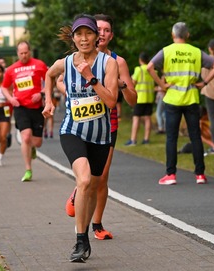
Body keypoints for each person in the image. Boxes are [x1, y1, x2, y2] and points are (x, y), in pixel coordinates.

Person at [42, 14, 119, 262]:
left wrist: (90, 77)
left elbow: (110, 101)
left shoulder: (108, 64)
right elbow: (48, 74)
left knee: (93, 185)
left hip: (100, 135)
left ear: (97, 36)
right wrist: (48, 101)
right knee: (84, 180)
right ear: (73, 38)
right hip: (72, 130)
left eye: (88, 33)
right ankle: (81, 240)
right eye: (78, 34)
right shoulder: (64, 62)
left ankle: (83, 233)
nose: (83, 38)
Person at [64, 13, 137, 241]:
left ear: (109, 35)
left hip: (107, 124)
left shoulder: (117, 62)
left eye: (106, 30)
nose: (102, 34)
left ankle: (97, 223)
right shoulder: (75, 58)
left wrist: (122, 85)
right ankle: (81, 192)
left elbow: (133, 100)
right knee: (89, 179)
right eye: (100, 29)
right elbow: (60, 76)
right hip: (79, 125)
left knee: (102, 177)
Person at [147, 22, 214, 185]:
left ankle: (171, 175)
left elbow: (150, 67)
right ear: (187, 35)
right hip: (191, 98)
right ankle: (200, 174)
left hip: (172, 98)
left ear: (173, 35)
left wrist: (161, 85)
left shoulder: (166, 51)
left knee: (171, 138)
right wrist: (205, 82)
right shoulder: (196, 52)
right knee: (195, 136)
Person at [1, 41, 48, 181]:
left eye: (26, 52)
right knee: (26, 136)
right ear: (17, 53)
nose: (23, 55)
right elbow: (4, 87)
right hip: (20, 107)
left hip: (37, 107)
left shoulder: (39, 65)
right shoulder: (11, 69)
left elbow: (50, 81)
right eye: (21, 53)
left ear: (30, 52)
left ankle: (32, 148)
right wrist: (11, 98)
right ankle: (28, 170)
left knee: (37, 142)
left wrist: (41, 93)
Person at [125, 52, 155, 146]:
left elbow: (132, 83)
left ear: (140, 60)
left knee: (136, 118)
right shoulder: (152, 70)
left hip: (140, 98)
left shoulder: (139, 70)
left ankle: (133, 139)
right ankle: (146, 139)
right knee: (147, 118)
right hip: (149, 97)